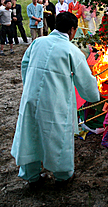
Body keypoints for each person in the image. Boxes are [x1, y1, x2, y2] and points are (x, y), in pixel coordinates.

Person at [11, 12, 100, 188]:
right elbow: (86, 82)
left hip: (32, 97)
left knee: (30, 134)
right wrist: (94, 96)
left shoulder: (38, 42)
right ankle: (63, 176)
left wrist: (28, 85)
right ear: (73, 30)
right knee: (58, 138)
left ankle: (31, 176)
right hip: (56, 102)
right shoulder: (71, 50)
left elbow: (24, 65)